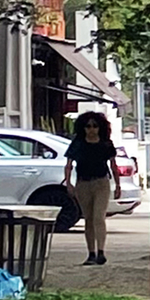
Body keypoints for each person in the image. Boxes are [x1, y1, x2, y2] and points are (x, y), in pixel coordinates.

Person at [61, 112, 119, 265]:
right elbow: (68, 165)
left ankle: (101, 251)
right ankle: (91, 253)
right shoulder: (78, 144)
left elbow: (113, 165)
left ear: (101, 127)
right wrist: (68, 183)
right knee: (89, 219)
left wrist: (118, 185)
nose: (91, 129)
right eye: (88, 126)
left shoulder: (106, 144)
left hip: (101, 183)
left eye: (95, 126)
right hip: (83, 184)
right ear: (83, 128)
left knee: (99, 217)